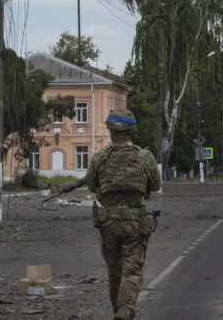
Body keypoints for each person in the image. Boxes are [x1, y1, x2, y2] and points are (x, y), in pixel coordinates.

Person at [86, 109, 161, 320]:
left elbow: (92, 185)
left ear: (111, 131)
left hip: (108, 222)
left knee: (114, 272)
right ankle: (125, 310)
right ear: (132, 130)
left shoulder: (99, 158)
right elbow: (155, 185)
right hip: (136, 222)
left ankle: (117, 310)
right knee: (132, 271)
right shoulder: (144, 157)